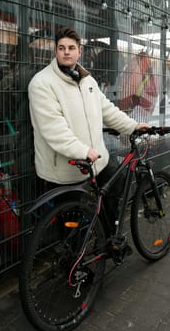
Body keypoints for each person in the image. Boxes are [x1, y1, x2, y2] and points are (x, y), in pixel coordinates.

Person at [28, 27, 149, 239]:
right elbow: (53, 128)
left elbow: (107, 111)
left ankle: (108, 237)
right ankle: (73, 266)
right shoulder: (42, 83)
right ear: (55, 51)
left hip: (96, 160)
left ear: (79, 52)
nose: (67, 52)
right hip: (66, 167)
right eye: (62, 48)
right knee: (70, 226)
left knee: (115, 185)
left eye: (71, 48)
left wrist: (132, 126)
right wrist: (82, 150)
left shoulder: (87, 81)